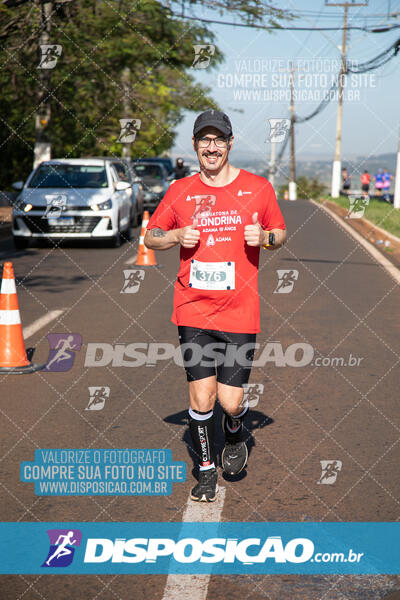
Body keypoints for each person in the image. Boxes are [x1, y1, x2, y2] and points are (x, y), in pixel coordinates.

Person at [144, 109, 286, 502]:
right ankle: (206, 471)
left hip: (240, 310)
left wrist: (266, 238)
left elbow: (280, 233)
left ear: (230, 143)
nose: (211, 146)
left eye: (218, 139)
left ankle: (236, 431)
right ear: (194, 145)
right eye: (204, 139)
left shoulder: (258, 188)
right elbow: (151, 236)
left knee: (230, 400)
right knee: (201, 397)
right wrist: (173, 236)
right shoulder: (179, 191)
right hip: (193, 307)